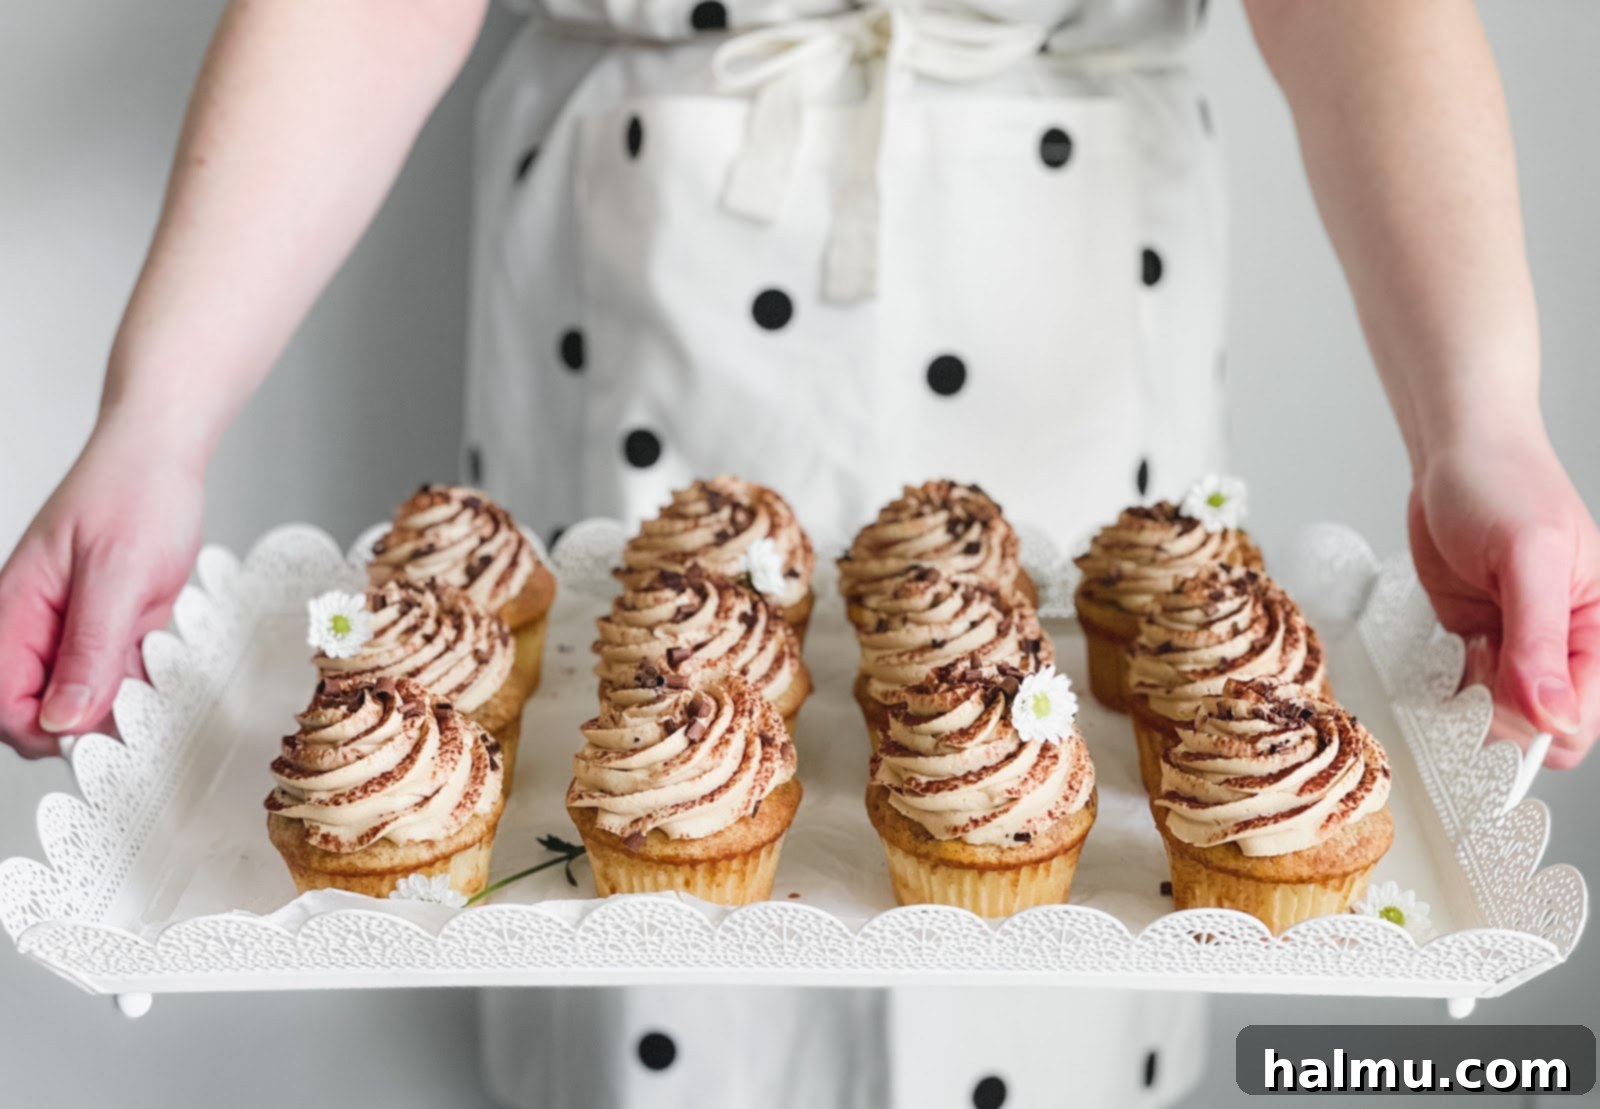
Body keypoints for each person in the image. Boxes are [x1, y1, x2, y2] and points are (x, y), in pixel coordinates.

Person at [1, 0, 1596, 1106]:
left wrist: (1480, 418)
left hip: (1071, 296)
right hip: (640, 283)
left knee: (1054, 976)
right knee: (641, 972)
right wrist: (154, 419)